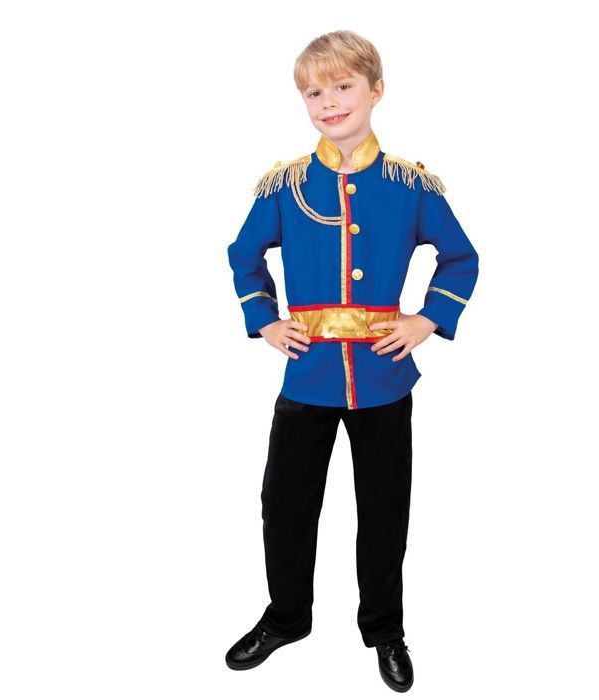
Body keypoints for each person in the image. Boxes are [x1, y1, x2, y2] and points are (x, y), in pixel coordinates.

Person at [224, 30, 479, 692]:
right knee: (284, 504)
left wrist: (426, 319)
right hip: (307, 374)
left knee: (384, 510)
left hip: (383, 377)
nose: (329, 102)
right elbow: (243, 256)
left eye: (343, 86)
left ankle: (385, 629)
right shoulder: (285, 186)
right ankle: (286, 618)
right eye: (315, 92)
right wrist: (265, 320)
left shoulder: (409, 186)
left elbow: (461, 258)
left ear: (375, 90)